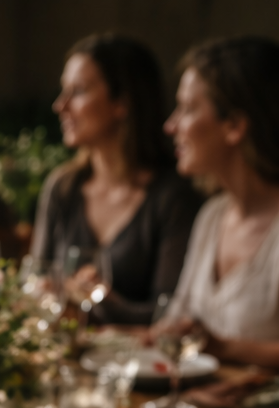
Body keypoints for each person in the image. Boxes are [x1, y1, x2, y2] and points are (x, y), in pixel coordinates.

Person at [32, 34, 201, 325]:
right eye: (63, 91)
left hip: (141, 364)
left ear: (122, 102)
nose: (61, 106)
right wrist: (47, 293)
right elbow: (36, 279)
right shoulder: (63, 186)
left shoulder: (173, 196)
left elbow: (173, 313)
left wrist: (106, 302)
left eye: (79, 91)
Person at [162, 37, 279, 368]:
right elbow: (175, 323)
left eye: (187, 109)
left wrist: (223, 348)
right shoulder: (212, 216)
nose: (170, 126)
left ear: (235, 126)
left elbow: (207, 345)